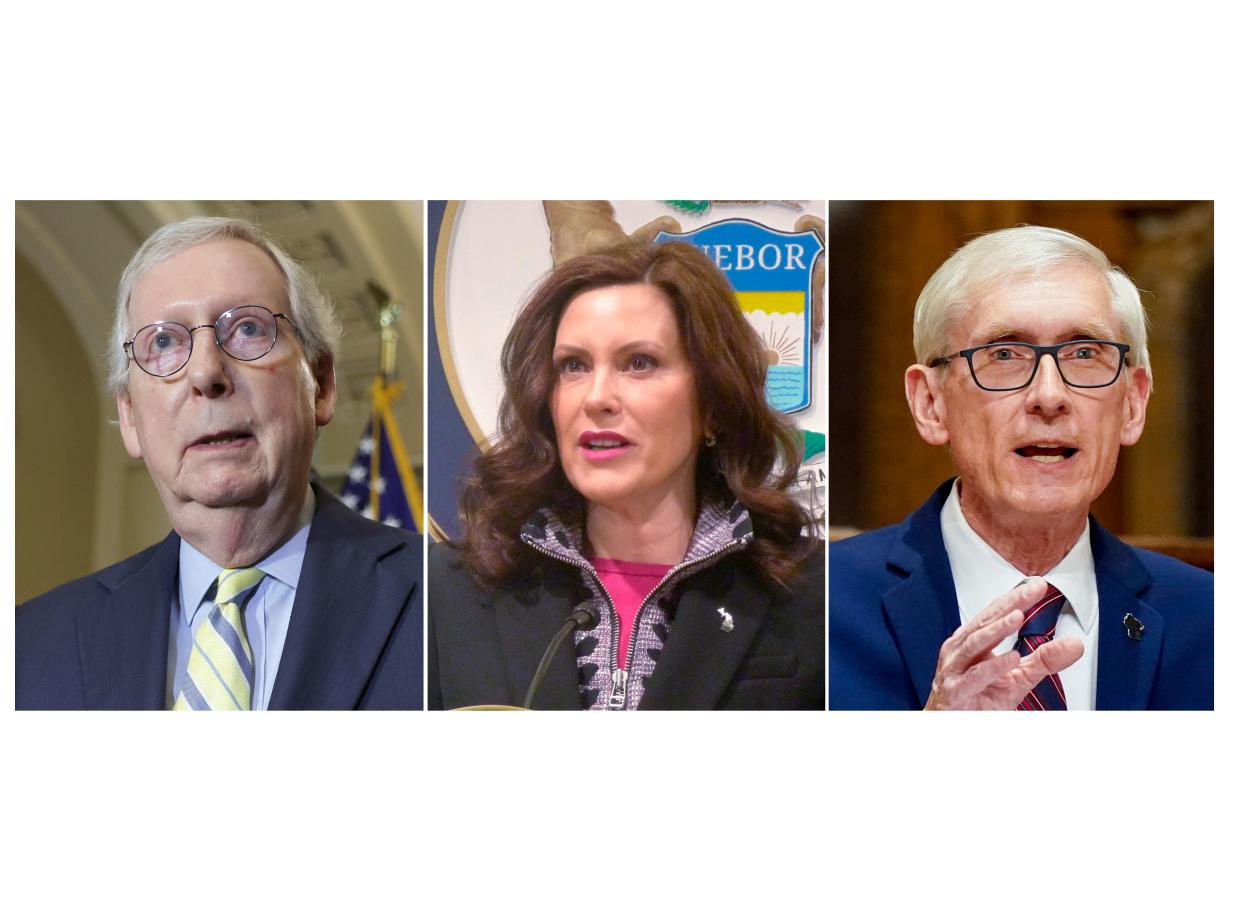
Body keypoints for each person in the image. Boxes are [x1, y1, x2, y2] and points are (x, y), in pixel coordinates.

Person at [16, 217, 422, 710]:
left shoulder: (447, 604)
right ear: (129, 416)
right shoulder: (28, 648)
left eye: (247, 328)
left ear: (321, 384)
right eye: (163, 343)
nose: (207, 372)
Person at [829, 226, 1212, 710]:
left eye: (1084, 353)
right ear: (930, 403)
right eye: (1005, 355)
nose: (1049, 397)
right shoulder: (816, 606)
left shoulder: (1210, 618)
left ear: (1133, 404)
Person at [428, 241, 823, 710]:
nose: (596, 398)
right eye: (573, 366)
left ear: (713, 403)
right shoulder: (449, 592)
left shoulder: (808, 594)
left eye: (639, 363)